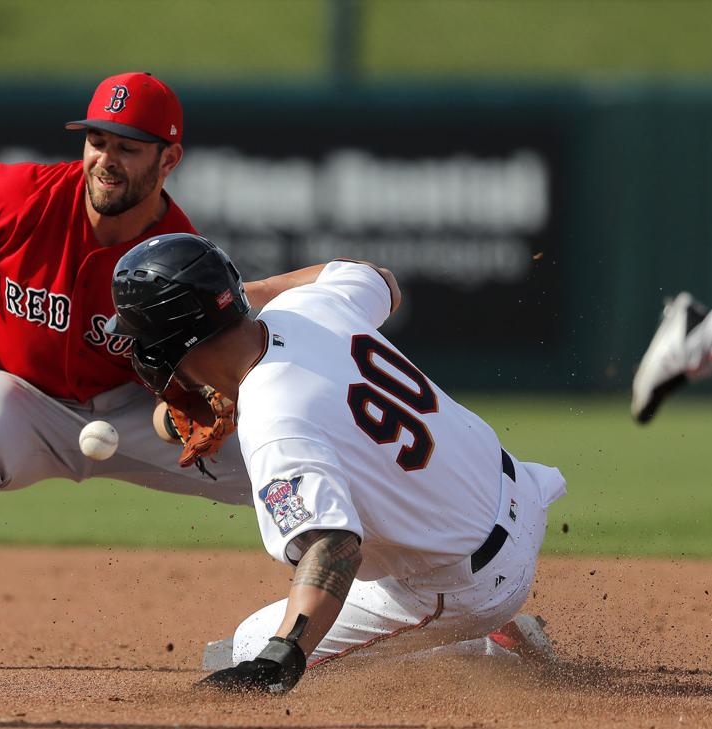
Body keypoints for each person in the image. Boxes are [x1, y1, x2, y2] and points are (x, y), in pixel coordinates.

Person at [0, 72, 316, 669]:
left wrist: (207, 406)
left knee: (293, 471)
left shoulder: (180, 251)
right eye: (97, 140)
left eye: (127, 146)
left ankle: (394, 601)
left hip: (135, 408)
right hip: (19, 396)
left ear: (169, 159)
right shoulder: (19, 194)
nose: (105, 159)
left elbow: (206, 367)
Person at [107, 234, 567, 693]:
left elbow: (335, 546)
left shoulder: (274, 420)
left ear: (165, 344)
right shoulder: (307, 307)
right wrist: (232, 300)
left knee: (249, 646)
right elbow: (380, 279)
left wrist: (284, 654)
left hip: (471, 584)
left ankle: (491, 643)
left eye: (138, 335)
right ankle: (488, 628)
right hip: (520, 493)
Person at [632, 292, 712, 423]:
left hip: (710, 332)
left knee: (645, 412)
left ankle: (690, 317)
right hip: (690, 348)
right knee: (644, 411)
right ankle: (684, 321)